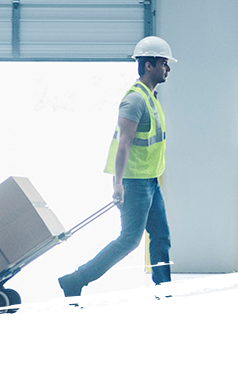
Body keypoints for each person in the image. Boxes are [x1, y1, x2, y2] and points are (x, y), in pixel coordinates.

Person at [58, 36, 197, 316]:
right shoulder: (135, 100)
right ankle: (76, 280)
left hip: (150, 180)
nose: (167, 69)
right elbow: (124, 143)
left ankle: (163, 297)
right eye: (164, 64)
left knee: (161, 237)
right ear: (149, 65)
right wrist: (117, 184)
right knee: (129, 240)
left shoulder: (151, 97)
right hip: (134, 182)